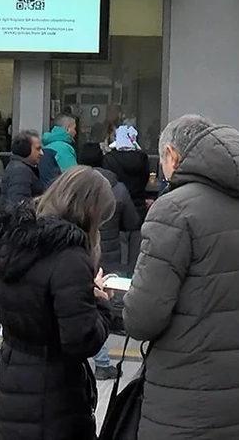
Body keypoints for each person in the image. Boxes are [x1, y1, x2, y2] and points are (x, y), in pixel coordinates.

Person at [123, 115, 239, 439]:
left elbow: (142, 320)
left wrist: (115, 299)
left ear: (172, 155)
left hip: (184, 407)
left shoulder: (173, 210)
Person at [0, 169, 115, 439]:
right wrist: (100, 304)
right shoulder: (70, 257)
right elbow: (80, 341)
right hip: (53, 391)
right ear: (90, 211)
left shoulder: (17, 241)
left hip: (13, 375)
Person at [78, 142, 142, 379]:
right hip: (110, 250)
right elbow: (132, 222)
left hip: (81, 251)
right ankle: (103, 361)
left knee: (82, 302)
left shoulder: (74, 186)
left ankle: (101, 361)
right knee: (96, 301)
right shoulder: (119, 188)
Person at [103, 123, 151, 217]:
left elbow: (108, 181)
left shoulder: (109, 158)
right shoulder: (142, 158)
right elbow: (145, 179)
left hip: (116, 207)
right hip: (138, 206)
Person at [0, 130, 46, 209]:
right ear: (25, 149)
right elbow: (19, 204)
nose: (42, 153)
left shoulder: (20, 168)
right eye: (38, 149)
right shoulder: (21, 171)